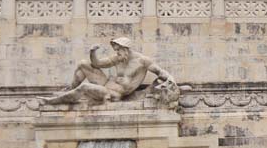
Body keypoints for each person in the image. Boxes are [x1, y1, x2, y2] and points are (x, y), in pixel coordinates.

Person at [41, 37, 177, 105]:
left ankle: (53, 101)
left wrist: (171, 81)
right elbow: (97, 63)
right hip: (106, 83)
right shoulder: (118, 58)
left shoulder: (142, 61)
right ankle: (69, 90)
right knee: (83, 64)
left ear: (126, 49)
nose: (116, 52)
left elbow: (161, 73)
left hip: (114, 94)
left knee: (84, 87)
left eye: (118, 49)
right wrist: (92, 52)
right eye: (115, 50)